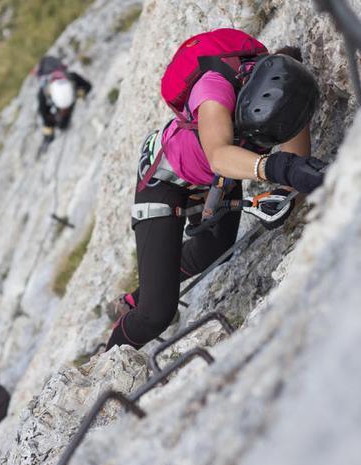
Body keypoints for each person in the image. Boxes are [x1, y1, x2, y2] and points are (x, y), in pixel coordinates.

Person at [107, 30, 327, 350]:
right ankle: (108, 358)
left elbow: (296, 170)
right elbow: (220, 155)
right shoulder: (213, 89)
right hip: (165, 181)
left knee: (213, 252)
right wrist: (281, 168)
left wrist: (294, 189)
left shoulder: (289, 95)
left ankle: (135, 296)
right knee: (156, 314)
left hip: (214, 176)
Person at [35, 56, 92, 146]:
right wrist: (49, 129)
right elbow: (43, 113)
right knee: (59, 124)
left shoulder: (72, 78)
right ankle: (48, 136)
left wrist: (79, 94)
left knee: (63, 124)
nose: (64, 111)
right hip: (47, 68)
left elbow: (88, 86)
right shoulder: (43, 94)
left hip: (64, 87)